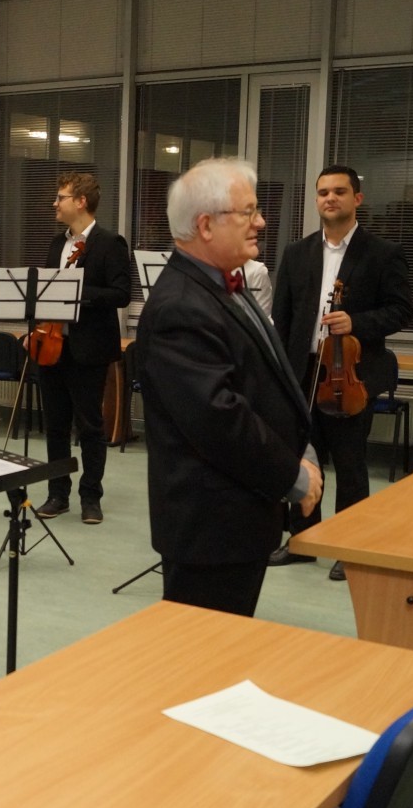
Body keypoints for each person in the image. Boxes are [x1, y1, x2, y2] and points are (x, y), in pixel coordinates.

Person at [132, 158, 321, 617]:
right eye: (248, 211)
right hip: (210, 527)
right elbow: (219, 419)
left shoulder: (223, 285)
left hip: (239, 516)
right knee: (202, 652)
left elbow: (265, 379)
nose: (261, 222)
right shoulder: (181, 306)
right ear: (205, 225)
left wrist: (302, 447)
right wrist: (291, 475)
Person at [269, 165, 412, 581]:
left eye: (339, 191)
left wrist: (357, 323)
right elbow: (283, 317)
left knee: (350, 465)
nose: (329, 198)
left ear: (357, 199)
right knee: (302, 459)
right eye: (323, 192)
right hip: (304, 373)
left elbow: (401, 310)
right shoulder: (297, 253)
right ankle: (303, 540)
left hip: (351, 376)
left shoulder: (382, 253)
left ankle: (349, 547)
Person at [30, 173, 132, 524]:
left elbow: (121, 294)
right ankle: (57, 494)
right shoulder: (56, 244)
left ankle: (91, 497)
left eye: (61, 197)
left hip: (88, 349)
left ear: (81, 201)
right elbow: (45, 292)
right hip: (51, 346)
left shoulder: (110, 243)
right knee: (55, 426)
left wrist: (78, 292)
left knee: (90, 426)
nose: (55, 204)